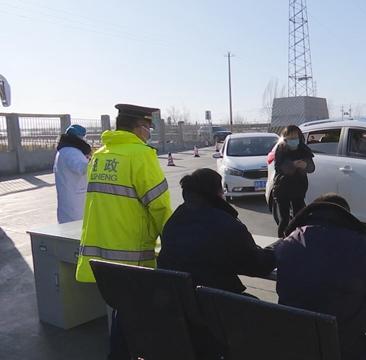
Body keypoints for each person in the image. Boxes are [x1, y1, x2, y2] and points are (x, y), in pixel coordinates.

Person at [75, 104, 172, 360]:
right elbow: (160, 205)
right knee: (137, 317)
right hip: (132, 255)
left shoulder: (100, 155)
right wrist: (173, 240)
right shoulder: (141, 156)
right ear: (139, 127)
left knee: (122, 310)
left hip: (101, 252)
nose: (149, 133)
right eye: (148, 128)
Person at [274, 193, 366, 360]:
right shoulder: (358, 247)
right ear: (346, 217)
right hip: (348, 352)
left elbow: (262, 259)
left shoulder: (287, 244)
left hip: (297, 349)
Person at [158, 168, 276, 293]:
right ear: (217, 193)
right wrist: (278, 249)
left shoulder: (175, 220)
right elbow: (257, 265)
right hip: (213, 302)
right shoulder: (226, 225)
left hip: (176, 299)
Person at [272, 125, 315, 238]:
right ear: (285, 139)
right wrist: (292, 165)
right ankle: (281, 242)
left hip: (299, 189)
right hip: (282, 189)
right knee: (284, 219)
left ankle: (297, 241)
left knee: (299, 218)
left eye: (295, 137)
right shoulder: (280, 149)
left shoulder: (303, 149)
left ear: (299, 137)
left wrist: (305, 165)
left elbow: (311, 167)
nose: (293, 140)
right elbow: (278, 167)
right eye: (290, 138)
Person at [53, 124, 91, 223]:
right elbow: (82, 168)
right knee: (74, 229)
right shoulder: (72, 152)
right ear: (79, 138)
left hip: (71, 197)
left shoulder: (64, 150)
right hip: (75, 201)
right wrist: (95, 161)